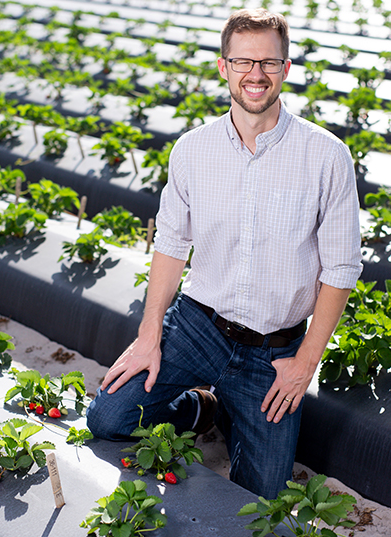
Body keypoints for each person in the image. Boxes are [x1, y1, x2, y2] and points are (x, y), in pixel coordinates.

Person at [86, 8, 362, 499]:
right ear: (223, 67)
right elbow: (171, 245)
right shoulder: (193, 149)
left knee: (261, 496)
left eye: (269, 63)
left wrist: (304, 364)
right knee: (108, 416)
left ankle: (235, 404)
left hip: (272, 349)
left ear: (286, 69)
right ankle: (201, 408)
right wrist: (150, 334)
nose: (256, 75)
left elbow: (341, 269)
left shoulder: (326, 156)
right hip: (199, 326)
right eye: (243, 62)